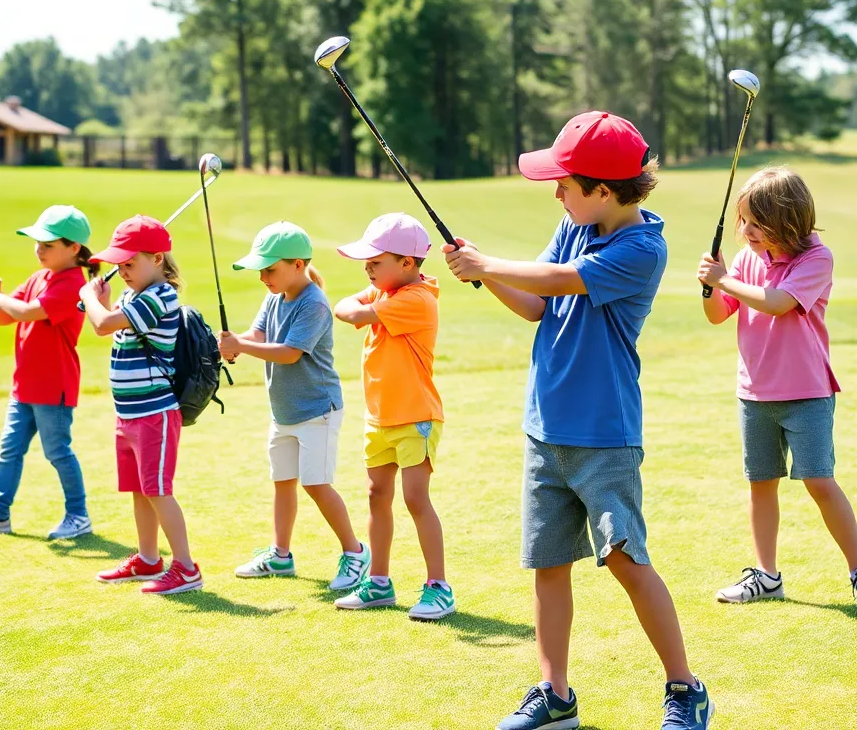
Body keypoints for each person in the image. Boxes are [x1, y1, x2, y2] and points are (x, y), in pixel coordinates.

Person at [445, 112, 713, 729]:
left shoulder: (643, 249)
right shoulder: (573, 224)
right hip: (546, 427)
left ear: (602, 189)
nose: (556, 192)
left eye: (564, 182)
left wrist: (491, 265)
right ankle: (555, 696)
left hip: (604, 434)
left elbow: (567, 281)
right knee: (548, 563)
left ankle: (685, 687)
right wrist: (480, 274)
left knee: (624, 559)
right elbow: (539, 303)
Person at [696, 166, 857, 615]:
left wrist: (723, 279)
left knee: (819, 481)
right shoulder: (746, 258)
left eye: (755, 224)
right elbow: (717, 315)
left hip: (806, 392)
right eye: (742, 221)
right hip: (755, 393)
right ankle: (767, 575)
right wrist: (710, 287)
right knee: (760, 484)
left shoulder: (815, 260)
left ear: (788, 222)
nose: (745, 232)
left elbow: (779, 303)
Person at [221, 221, 370, 591]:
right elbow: (259, 334)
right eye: (262, 270)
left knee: (316, 484)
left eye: (270, 269)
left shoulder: (314, 304)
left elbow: (289, 353)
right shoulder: (274, 296)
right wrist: (236, 341)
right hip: (284, 411)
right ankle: (280, 555)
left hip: (317, 409)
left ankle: (355, 552)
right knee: (282, 482)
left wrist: (243, 346)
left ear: (298, 265)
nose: (263, 277)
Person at [331, 213, 455, 622]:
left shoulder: (415, 299)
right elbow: (342, 304)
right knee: (376, 495)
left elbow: (350, 311)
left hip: (415, 416)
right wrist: (366, 294)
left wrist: (363, 299)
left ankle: (438, 587)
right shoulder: (385, 290)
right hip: (380, 417)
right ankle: (380, 582)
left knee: (415, 498)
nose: (367, 268)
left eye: (375, 261)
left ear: (407, 263)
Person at [0, 205, 95, 541]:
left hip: (54, 384)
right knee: (10, 448)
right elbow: (8, 317)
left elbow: (29, 311)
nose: (38, 249)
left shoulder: (74, 284)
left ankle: (78, 515)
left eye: (47, 244)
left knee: (57, 451)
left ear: (74, 248)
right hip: (26, 384)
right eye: (37, 242)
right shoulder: (39, 277)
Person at [81, 215, 202, 595]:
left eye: (130, 263)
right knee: (139, 489)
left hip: (155, 413)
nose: (122, 270)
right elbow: (108, 324)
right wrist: (98, 302)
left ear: (158, 259)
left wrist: (90, 301)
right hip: (129, 414)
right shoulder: (132, 295)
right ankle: (149, 558)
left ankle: (185, 567)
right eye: (119, 264)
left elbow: (103, 325)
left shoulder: (159, 295)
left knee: (157, 489)